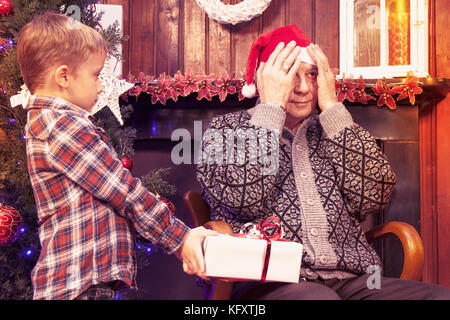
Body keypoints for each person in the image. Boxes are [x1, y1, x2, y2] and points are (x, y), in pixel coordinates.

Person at [196, 25, 450, 299]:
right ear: (266, 78)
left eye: (313, 75)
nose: (304, 88)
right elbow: (243, 197)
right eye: (290, 75)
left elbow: (375, 196)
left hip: (355, 280)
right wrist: (270, 111)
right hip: (268, 281)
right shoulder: (225, 130)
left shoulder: (334, 128)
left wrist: (331, 107)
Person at [18, 11, 215, 300]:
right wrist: (180, 238)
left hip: (86, 284)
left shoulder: (54, 124)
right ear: (63, 76)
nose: (100, 86)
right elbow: (122, 191)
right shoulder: (61, 126)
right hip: (79, 286)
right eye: (96, 75)